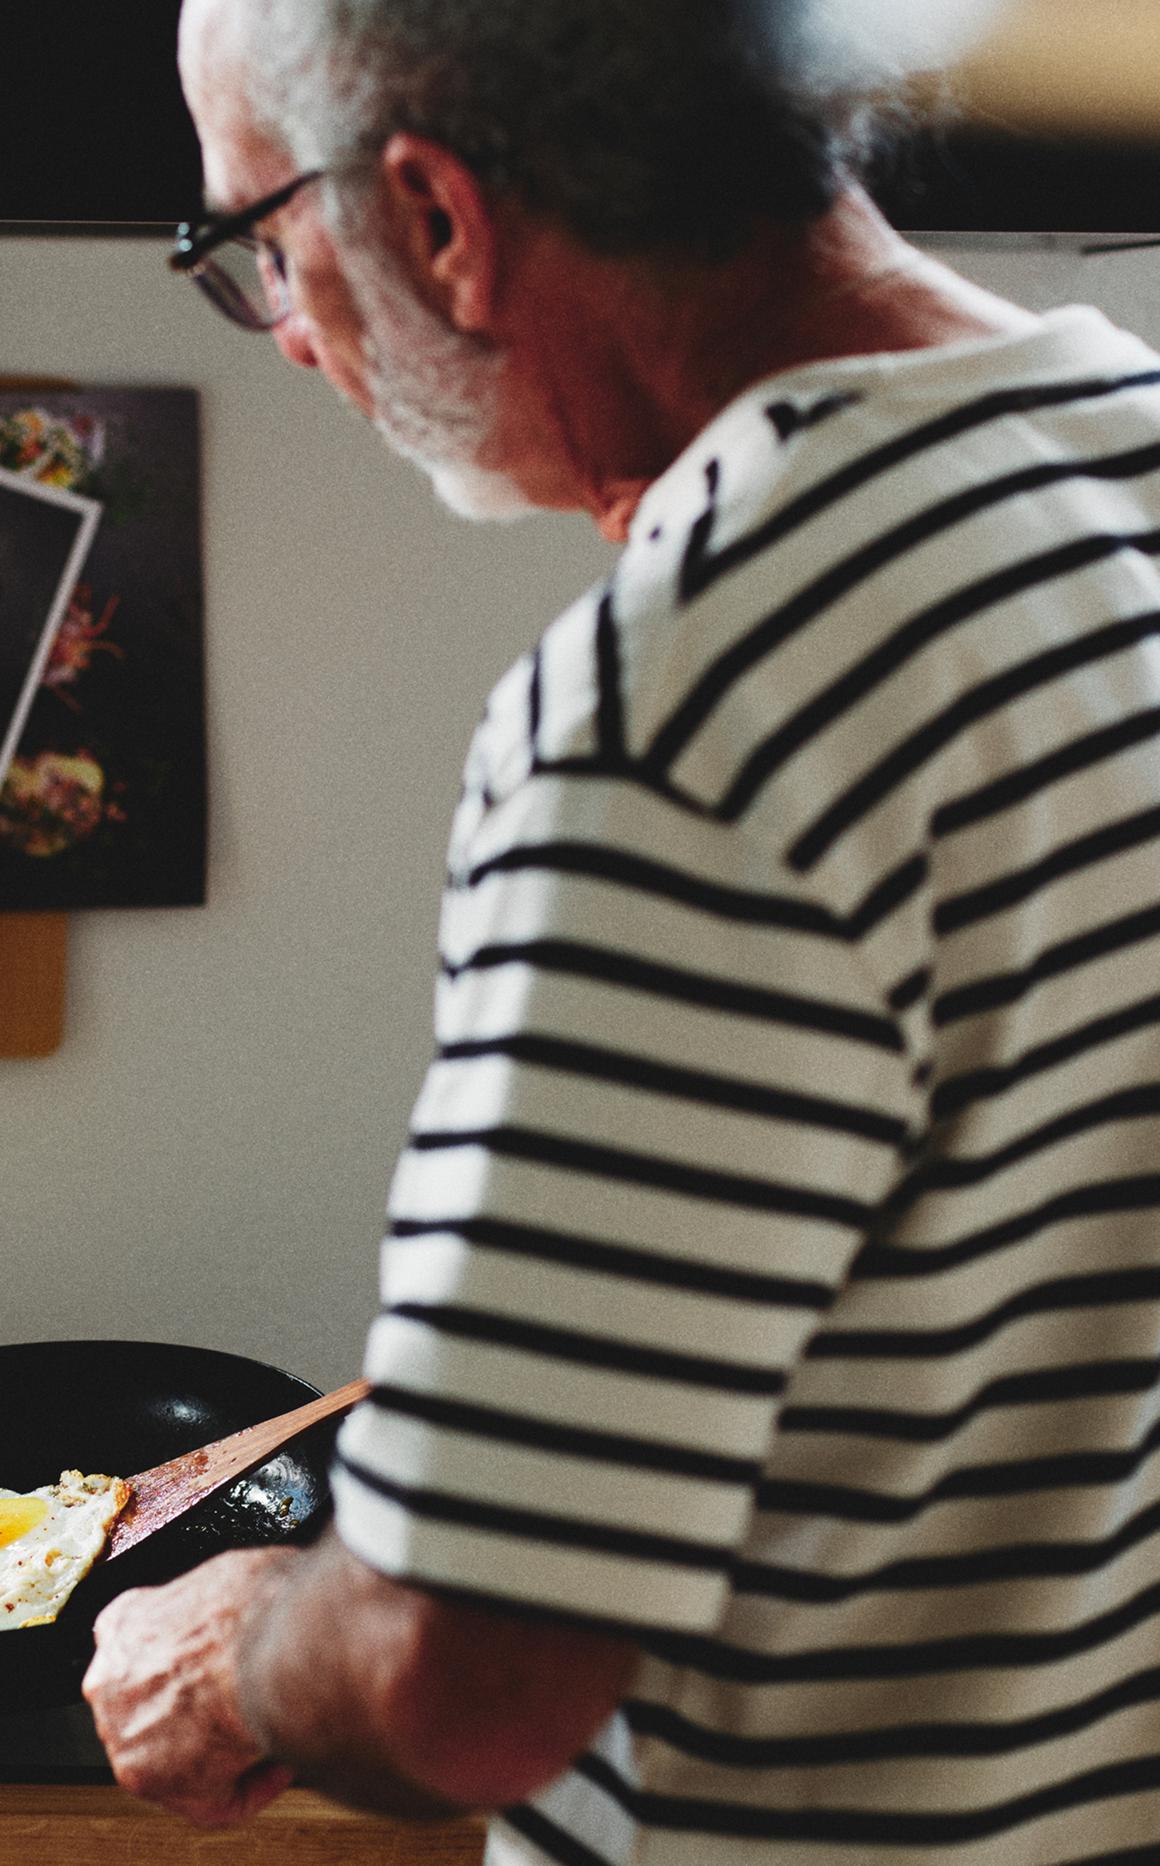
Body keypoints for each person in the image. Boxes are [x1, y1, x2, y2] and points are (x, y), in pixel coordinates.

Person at [82, 2, 1160, 1859]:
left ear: (434, 215)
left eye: (260, 242)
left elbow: (461, 1677)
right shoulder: (1119, 451)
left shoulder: (689, 695)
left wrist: (241, 1645)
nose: (287, 330)